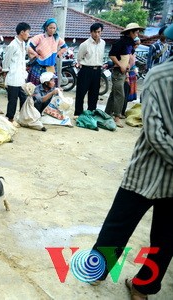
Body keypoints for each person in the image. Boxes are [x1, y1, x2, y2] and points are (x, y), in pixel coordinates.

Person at [91, 26, 173, 299]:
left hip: (148, 168)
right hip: (163, 174)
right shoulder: (156, 71)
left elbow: (154, 132)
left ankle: (98, 270)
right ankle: (143, 286)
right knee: (165, 237)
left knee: (120, 224)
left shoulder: (160, 75)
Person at [104, 22, 143, 128]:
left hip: (123, 72)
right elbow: (111, 55)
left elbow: (127, 56)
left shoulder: (129, 43)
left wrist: (126, 68)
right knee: (120, 94)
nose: (137, 34)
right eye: (136, 32)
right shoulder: (120, 42)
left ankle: (107, 113)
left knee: (114, 94)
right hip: (117, 72)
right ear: (130, 32)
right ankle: (116, 117)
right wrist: (120, 65)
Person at [74, 23, 105, 117]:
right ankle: (78, 113)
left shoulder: (103, 43)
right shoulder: (85, 44)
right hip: (86, 70)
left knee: (94, 93)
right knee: (81, 92)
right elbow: (79, 58)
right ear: (91, 32)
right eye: (95, 32)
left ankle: (91, 112)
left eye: (99, 32)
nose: (97, 34)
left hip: (97, 70)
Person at [2, 22, 31, 122]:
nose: (28, 34)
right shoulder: (13, 45)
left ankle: (23, 117)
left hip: (21, 76)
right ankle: (10, 118)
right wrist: (5, 73)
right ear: (22, 32)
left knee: (24, 97)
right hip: (13, 77)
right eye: (28, 32)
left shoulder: (23, 43)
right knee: (13, 100)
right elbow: (6, 61)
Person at [27, 18, 67, 86]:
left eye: (54, 28)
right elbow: (28, 47)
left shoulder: (57, 38)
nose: (52, 30)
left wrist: (58, 53)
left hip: (51, 66)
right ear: (46, 28)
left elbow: (65, 47)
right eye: (50, 28)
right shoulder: (39, 37)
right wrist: (35, 54)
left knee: (50, 85)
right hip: (39, 65)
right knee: (36, 86)